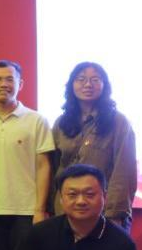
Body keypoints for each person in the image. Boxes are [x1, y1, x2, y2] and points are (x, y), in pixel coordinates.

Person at [0, 60, 54, 250]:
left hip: (26, 210)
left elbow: (44, 166)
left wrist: (39, 210)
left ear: (20, 84)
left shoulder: (36, 120)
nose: (4, 84)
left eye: (10, 79)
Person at [51, 62, 137, 231]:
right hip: (65, 212)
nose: (88, 84)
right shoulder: (61, 123)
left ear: (104, 85)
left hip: (104, 213)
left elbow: (124, 171)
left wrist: (114, 214)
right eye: (81, 79)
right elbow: (53, 168)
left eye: (95, 79)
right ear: (71, 85)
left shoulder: (118, 122)